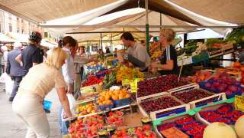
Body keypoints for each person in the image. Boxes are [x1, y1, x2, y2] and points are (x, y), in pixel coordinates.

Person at [12, 47, 73, 138]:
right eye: (63, 60)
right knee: (44, 134)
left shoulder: (38, 67)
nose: (64, 62)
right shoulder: (56, 73)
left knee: (32, 129)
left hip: (17, 102)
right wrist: (70, 115)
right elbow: (63, 99)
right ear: (57, 59)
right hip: (30, 103)